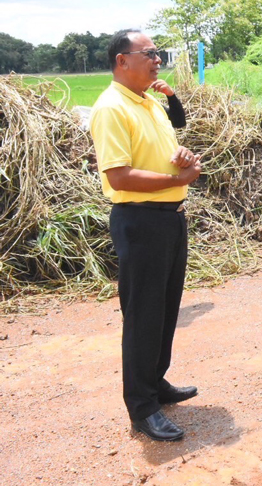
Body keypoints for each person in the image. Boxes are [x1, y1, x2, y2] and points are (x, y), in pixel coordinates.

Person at [90, 29, 202, 442]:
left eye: (159, 53)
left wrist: (184, 161)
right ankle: (142, 407)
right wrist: (180, 176)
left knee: (166, 308)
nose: (158, 60)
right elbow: (119, 175)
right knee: (143, 315)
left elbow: (168, 155)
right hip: (140, 222)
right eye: (150, 53)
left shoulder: (149, 103)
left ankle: (156, 382)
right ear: (122, 61)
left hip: (169, 218)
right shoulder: (110, 108)